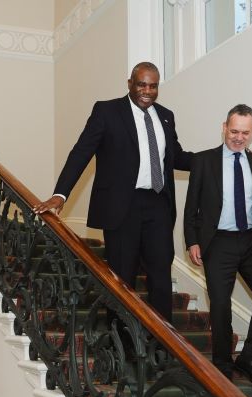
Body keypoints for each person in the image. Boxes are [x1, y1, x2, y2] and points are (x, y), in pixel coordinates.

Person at [32, 62, 193, 321]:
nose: (147, 91)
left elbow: (176, 157)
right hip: (122, 206)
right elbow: (81, 152)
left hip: (158, 204)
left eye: (153, 86)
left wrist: (217, 159)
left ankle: (164, 346)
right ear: (129, 83)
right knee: (121, 279)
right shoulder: (107, 111)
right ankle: (121, 345)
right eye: (141, 84)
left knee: (161, 276)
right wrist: (61, 194)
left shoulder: (166, 115)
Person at [183, 104, 252, 389]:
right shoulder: (204, 161)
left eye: (245, 133)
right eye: (234, 130)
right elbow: (192, 208)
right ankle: (223, 366)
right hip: (219, 241)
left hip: (250, 240)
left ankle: (250, 358)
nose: (239, 137)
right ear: (224, 127)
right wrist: (192, 241)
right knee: (221, 305)